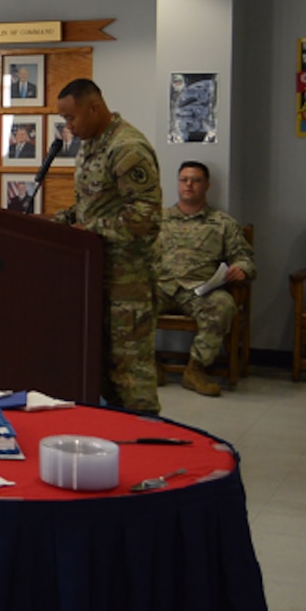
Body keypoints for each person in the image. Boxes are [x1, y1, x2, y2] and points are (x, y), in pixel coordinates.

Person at [52, 78, 162, 414]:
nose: (68, 127)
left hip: (128, 282)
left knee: (130, 374)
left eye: (71, 118)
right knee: (99, 371)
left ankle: (146, 441)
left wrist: (89, 228)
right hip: (95, 275)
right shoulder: (90, 145)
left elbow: (147, 217)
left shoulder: (127, 148)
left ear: (94, 107)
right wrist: (57, 221)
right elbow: (90, 206)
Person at [156, 161, 255, 397]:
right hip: (162, 286)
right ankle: (147, 365)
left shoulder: (223, 223)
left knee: (223, 305)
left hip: (200, 290)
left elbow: (244, 258)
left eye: (196, 180)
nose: (189, 185)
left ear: (207, 185)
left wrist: (241, 269)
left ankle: (195, 370)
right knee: (127, 302)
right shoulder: (158, 219)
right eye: (184, 180)